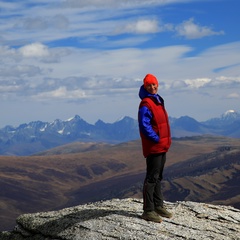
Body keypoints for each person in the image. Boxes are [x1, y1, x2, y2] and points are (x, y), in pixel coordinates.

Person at [138, 73, 172, 223]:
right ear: (145, 87)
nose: (152, 87)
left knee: (158, 176)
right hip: (155, 146)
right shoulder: (146, 103)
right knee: (151, 178)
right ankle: (148, 210)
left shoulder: (157, 100)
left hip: (162, 145)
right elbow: (144, 125)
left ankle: (158, 205)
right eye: (149, 85)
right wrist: (156, 139)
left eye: (154, 84)